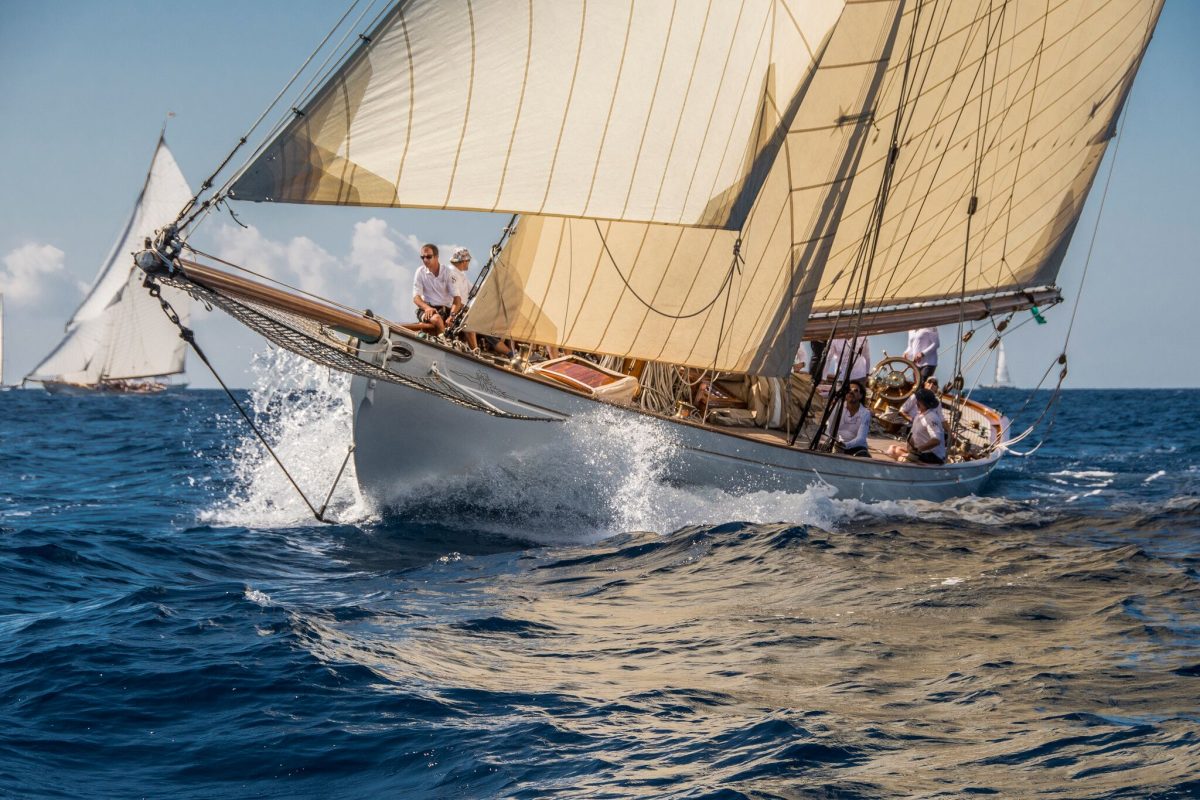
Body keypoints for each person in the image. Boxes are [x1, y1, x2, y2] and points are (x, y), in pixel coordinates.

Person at [886, 388, 946, 465]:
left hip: (933, 456)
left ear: (921, 402)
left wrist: (919, 450)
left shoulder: (931, 417)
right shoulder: (920, 415)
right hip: (921, 452)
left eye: (917, 400)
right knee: (892, 449)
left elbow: (936, 440)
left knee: (900, 458)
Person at [412, 243, 455, 335]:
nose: (425, 260)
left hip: (447, 311)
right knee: (436, 319)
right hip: (426, 309)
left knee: (468, 321)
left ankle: (475, 348)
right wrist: (427, 308)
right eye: (422, 257)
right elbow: (416, 297)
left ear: (436, 257)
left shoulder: (447, 272)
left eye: (428, 257)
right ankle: (444, 344)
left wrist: (452, 315)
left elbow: (457, 298)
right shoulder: (420, 272)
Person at [825, 380, 871, 457]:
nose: (851, 392)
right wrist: (833, 443)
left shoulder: (865, 413)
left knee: (861, 455)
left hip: (856, 447)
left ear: (861, 396)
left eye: (855, 390)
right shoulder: (837, 407)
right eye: (849, 390)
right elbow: (828, 430)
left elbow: (861, 439)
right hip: (836, 445)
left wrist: (845, 445)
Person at [446, 247, 478, 349]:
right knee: (468, 323)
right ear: (464, 261)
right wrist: (452, 315)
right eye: (468, 261)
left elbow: (473, 290)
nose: (469, 263)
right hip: (453, 310)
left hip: (460, 309)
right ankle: (475, 351)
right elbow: (457, 298)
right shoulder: (451, 273)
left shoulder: (461, 275)